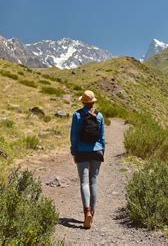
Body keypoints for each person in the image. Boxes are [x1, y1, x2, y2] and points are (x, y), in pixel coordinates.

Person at [70, 90, 105, 229]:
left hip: (81, 151)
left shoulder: (77, 115)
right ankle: (93, 213)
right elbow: (102, 137)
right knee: (93, 182)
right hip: (97, 151)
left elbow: (74, 136)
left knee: (84, 182)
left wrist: (74, 151)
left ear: (83, 102)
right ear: (93, 102)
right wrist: (102, 152)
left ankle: (87, 213)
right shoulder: (99, 116)